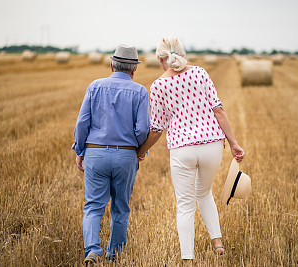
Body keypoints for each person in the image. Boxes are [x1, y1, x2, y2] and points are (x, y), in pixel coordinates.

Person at [137, 36, 244, 267]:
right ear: (182, 53)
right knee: (204, 193)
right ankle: (218, 244)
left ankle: (188, 260)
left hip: (182, 149)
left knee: (185, 204)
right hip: (211, 146)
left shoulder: (158, 86)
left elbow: (156, 129)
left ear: (159, 58)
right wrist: (233, 143)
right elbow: (219, 111)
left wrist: (142, 150)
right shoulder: (200, 73)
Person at [72, 45, 150, 266]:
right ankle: (114, 254)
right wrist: (138, 148)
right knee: (120, 207)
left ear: (111, 64)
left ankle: (92, 250)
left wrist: (80, 150)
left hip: (95, 153)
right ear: (134, 69)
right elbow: (143, 129)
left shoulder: (94, 86)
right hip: (126, 156)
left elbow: (82, 123)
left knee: (93, 206)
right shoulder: (141, 92)